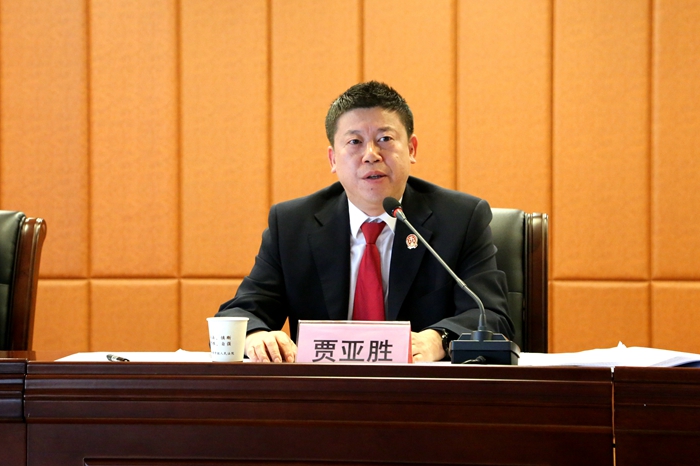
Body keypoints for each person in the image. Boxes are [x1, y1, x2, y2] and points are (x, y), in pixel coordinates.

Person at [217, 81, 512, 363]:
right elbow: (239, 313)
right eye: (355, 142)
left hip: (422, 391)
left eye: (385, 139)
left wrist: (438, 339)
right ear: (333, 159)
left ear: (411, 149)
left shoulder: (460, 219)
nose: (371, 155)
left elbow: (491, 316)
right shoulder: (292, 225)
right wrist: (255, 336)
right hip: (325, 390)